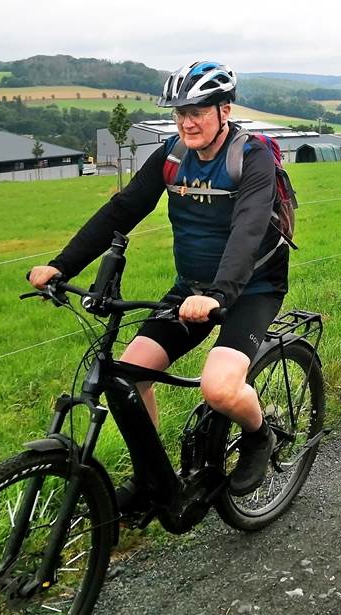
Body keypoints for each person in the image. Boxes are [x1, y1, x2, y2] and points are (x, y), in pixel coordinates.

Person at [28, 61, 288, 509]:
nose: (187, 121)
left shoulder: (252, 157)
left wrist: (219, 295)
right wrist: (62, 265)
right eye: (180, 112)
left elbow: (247, 232)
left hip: (252, 288)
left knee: (220, 388)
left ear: (225, 110)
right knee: (127, 377)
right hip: (191, 286)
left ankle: (259, 437)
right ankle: (155, 481)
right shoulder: (171, 157)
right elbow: (122, 209)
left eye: (199, 111)